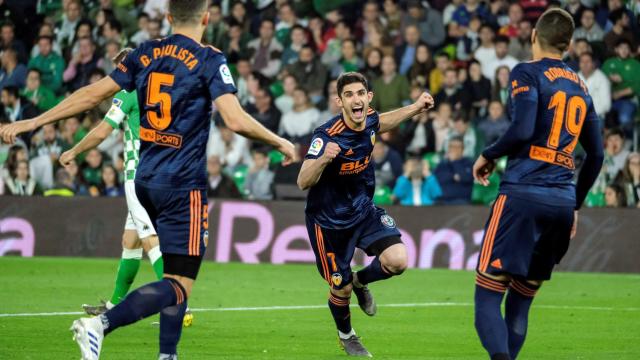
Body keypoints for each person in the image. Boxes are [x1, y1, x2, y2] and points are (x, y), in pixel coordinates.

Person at [0, 1, 297, 359]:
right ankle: (101, 325)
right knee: (178, 285)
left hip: (144, 178)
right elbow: (234, 120)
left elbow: (92, 94)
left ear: (169, 17)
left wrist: (32, 123)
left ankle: (166, 355)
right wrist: (279, 140)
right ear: (206, 17)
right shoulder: (209, 58)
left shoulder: (144, 52)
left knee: (168, 272)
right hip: (182, 184)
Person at [471, 9, 603, 360]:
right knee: (520, 304)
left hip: (522, 195)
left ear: (533, 35)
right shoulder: (581, 84)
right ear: (569, 44)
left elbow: (524, 129)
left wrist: (488, 154)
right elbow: (597, 155)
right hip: (561, 203)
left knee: (486, 296)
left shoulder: (526, 72)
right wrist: (574, 203)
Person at [297, 72, 433, 357]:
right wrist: (322, 159)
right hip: (328, 224)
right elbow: (302, 181)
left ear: (369, 97)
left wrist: (416, 106)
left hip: (363, 210)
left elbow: (384, 121)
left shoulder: (370, 117)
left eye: (361, 93)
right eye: (349, 95)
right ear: (339, 101)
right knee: (340, 289)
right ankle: (347, 336)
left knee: (398, 261)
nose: (356, 99)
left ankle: (361, 281)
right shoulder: (326, 135)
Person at [57, 48, 170, 323]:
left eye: (121, 65)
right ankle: (114, 304)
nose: (118, 71)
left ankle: (177, 301)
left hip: (138, 175)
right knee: (130, 240)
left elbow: (102, 131)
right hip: (161, 172)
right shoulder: (163, 91)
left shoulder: (128, 93)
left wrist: (73, 151)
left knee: (148, 238)